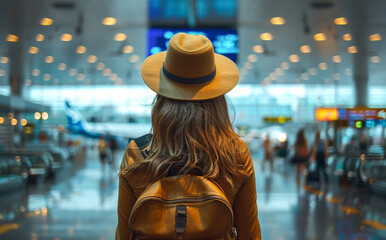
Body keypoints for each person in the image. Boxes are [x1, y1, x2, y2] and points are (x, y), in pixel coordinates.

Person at [116, 33, 261, 239]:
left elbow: (124, 234)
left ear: (161, 97)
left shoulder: (137, 154)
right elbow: (250, 233)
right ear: (217, 98)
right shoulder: (235, 155)